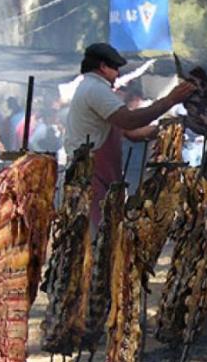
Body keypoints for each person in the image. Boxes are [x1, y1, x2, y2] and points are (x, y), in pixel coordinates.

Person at [65, 42, 195, 231]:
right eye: (115, 69)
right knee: (96, 239)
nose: (117, 74)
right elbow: (130, 121)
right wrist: (170, 100)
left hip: (102, 177)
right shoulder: (95, 89)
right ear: (103, 67)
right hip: (90, 176)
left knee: (108, 236)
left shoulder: (91, 88)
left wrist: (167, 128)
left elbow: (132, 134)